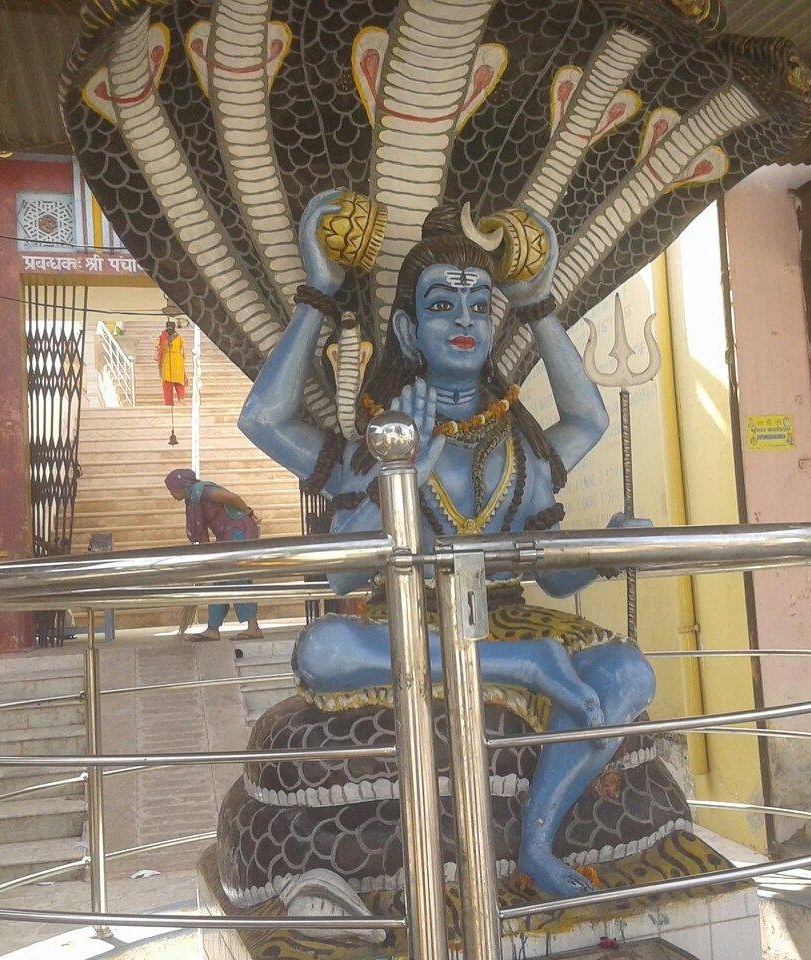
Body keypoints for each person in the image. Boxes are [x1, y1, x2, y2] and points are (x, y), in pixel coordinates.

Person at [239, 189, 653, 897]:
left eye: (478, 307)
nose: (464, 321)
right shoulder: (381, 440)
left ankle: (537, 844)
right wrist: (321, 294)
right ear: (405, 330)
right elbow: (267, 427)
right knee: (322, 649)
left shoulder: (518, 443)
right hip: (409, 620)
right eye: (441, 306)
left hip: (508, 612)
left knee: (627, 673)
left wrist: (537, 303)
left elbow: (580, 449)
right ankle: (521, 665)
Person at [164, 468, 264, 641]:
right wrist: (208, 558)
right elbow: (202, 531)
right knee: (219, 581)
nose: (171, 493)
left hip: (238, 532)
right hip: (225, 537)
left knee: (236, 579)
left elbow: (233, 498)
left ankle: (253, 627)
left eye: (172, 489)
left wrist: (250, 513)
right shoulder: (193, 501)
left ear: (182, 485)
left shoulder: (205, 491)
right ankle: (212, 629)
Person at [156, 319, 187, 405]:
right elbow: (184, 349)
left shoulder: (162, 335)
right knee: (179, 380)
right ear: (175, 327)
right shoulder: (179, 337)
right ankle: (181, 398)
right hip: (177, 359)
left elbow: (156, 346)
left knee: (167, 382)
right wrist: (183, 358)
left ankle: (168, 402)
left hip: (167, 359)